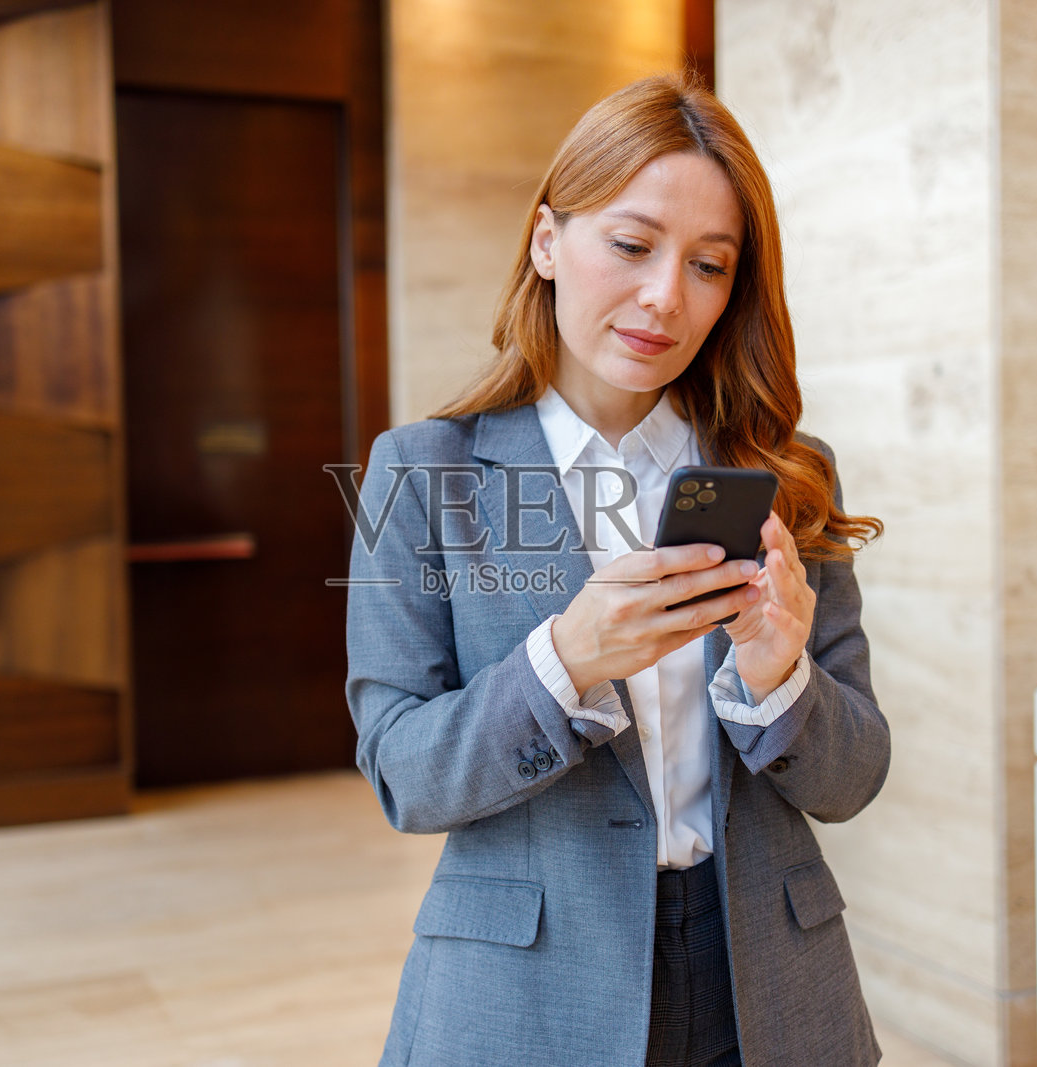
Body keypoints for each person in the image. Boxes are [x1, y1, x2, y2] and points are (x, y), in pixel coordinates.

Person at [344, 72, 889, 1067]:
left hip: (766, 979)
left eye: (709, 266)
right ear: (548, 241)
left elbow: (855, 776)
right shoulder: (425, 473)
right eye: (632, 246)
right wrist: (564, 658)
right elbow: (403, 775)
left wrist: (781, 676)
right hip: (527, 989)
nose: (665, 298)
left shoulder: (779, 474)